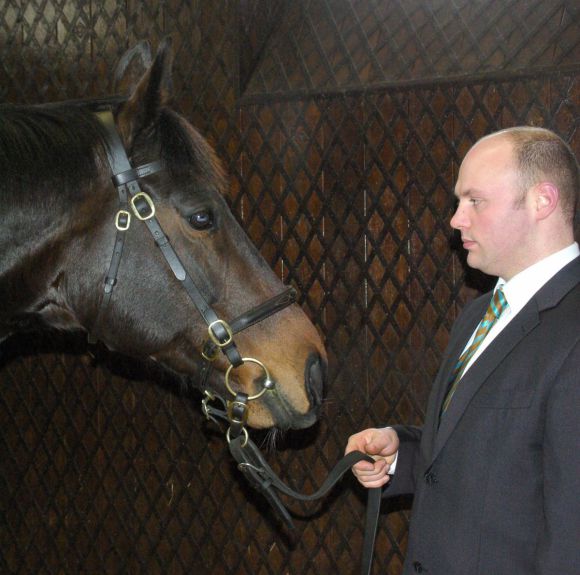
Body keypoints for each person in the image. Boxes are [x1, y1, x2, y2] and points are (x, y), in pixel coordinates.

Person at [345, 126, 580, 575]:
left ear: (542, 201)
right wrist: (399, 454)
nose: (456, 219)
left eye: (475, 200)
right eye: (458, 202)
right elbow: (486, 457)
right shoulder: (479, 316)